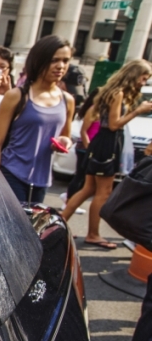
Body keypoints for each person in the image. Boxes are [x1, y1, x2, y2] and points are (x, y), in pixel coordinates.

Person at [61, 60, 152, 249]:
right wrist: (138, 111)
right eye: (143, 78)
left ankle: (60, 224)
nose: (143, 82)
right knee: (103, 192)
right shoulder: (117, 94)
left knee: (88, 189)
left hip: (101, 144)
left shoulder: (111, 92)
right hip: (108, 144)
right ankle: (93, 234)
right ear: (134, 74)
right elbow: (114, 125)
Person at [0, 35, 75, 204]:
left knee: (32, 229)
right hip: (11, 174)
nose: (60, 66)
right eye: (54, 60)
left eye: (66, 61)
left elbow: (66, 135)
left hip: (42, 179)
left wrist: (65, 142)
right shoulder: (17, 95)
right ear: (39, 60)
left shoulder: (67, 100)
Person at [60, 87, 101, 210]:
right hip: (85, 148)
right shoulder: (93, 110)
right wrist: (89, 148)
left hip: (90, 148)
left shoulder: (101, 111)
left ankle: (68, 198)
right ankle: (68, 202)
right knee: (80, 177)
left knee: (82, 178)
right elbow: (84, 131)